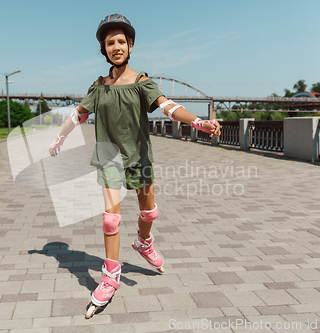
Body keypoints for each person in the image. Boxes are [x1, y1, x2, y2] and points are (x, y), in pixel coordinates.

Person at [49, 13, 221, 318]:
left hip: (138, 156)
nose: (116, 46)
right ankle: (110, 276)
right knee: (110, 221)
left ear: (130, 46)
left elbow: (169, 107)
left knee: (149, 212)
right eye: (109, 42)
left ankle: (144, 242)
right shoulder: (98, 86)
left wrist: (198, 121)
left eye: (121, 41)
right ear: (103, 49)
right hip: (109, 156)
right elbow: (79, 114)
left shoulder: (142, 82)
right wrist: (60, 138)